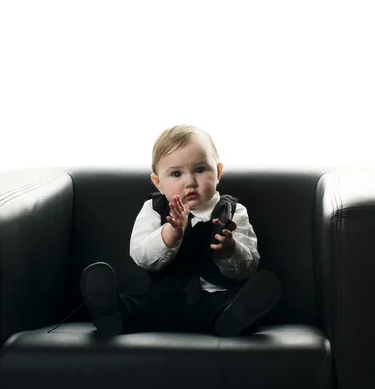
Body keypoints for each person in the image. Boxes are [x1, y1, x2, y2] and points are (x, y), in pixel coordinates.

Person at [80, 124, 282, 337]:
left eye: (200, 169)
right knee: (139, 306)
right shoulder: (154, 209)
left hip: (214, 301)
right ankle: (111, 313)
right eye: (177, 174)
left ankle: (235, 319)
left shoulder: (232, 211)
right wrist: (169, 235)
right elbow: (141, 256)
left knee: (231, 303)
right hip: (164, 299)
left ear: (218, 172)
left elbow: (248, 266)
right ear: (158, 183)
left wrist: (230, 251)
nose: (190, 182)